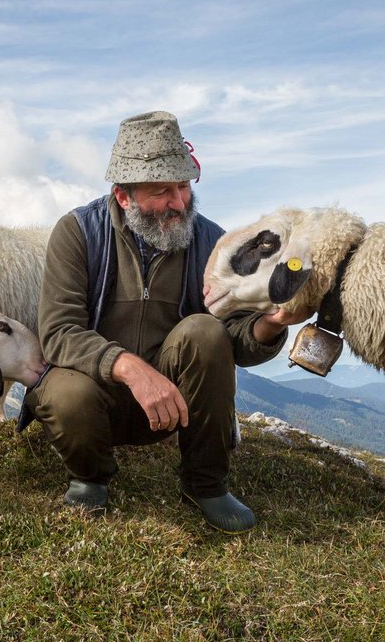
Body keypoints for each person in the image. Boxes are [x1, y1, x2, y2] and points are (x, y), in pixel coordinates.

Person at [24, 111, 307, 534]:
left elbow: (232, 339)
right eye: (162, 191)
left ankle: (206, 483)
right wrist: (130, 369)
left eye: (184, 187)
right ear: (124, 196)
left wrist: (271, 324)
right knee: (66, 395)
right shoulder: (78, 232)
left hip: (171, 402)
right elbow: (59, 332)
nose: (179, 202)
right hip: (93, 396)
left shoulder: (212, 241)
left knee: (205, 331)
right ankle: (90, 476)